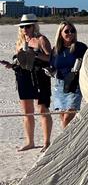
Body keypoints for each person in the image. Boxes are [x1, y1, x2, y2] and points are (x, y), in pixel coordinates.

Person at [2, 14, 53, 151]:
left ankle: (47, 142)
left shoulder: (41, 39)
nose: (25, 29)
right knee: (26, 111)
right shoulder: (20, 41)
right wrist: (11, 65)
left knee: (42, 109)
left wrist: (35, 54)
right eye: (22, 26)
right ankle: (30, 142)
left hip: (39, 77)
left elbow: (50, 59)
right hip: (23, 76)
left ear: (34, 26)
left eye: (28, 26)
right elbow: (19, 62)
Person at [51, 21, 88, 128]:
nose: (70, 33)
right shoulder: (56, 50)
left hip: (74, 84)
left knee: (68, 117)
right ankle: (68, 139)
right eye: (66, 31)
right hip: (59, 85)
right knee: (63, 118)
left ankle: (65, 142)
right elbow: (53, 66)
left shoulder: (80, 47)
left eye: (72, 31)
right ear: (60, 33)